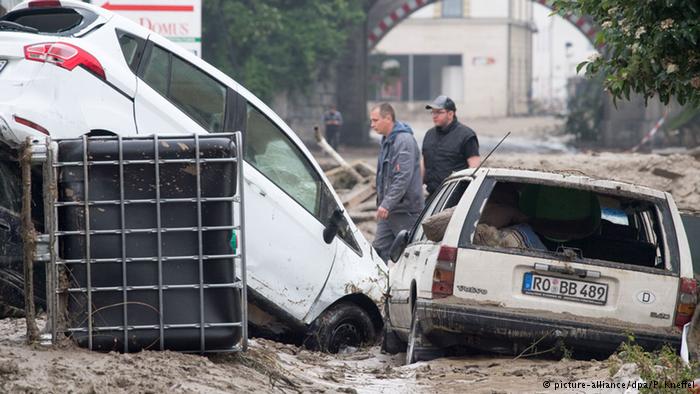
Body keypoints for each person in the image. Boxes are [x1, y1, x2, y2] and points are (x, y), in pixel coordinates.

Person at [370, 103, 424, 262]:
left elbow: (403, 177)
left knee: (409, 255)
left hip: (405, 211)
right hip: (390, 211)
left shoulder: (403, 140)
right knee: (378, 251)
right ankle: (381, 285)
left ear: (388, 118)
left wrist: (387, 203)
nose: (372, 125)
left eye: (375, 120)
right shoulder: (387, 140)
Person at [421, 95, 481, 199]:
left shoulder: (466, 136)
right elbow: (423, 163)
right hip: (432, 196)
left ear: (450, 114)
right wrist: (418, 188)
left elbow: (474, 168)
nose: (434, 116)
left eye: (439, 112)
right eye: (433, 112)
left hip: (455, 197)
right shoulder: (429, 135)